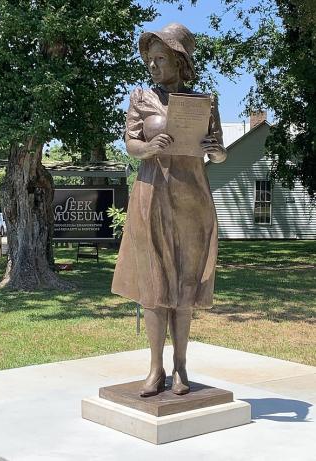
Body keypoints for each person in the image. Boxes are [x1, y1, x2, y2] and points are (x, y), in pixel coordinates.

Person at [112, 23, 227, 397]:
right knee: (154, 284)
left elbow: (220, 153)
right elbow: (130, 143)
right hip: (151, 195)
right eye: (149, 59)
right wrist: (150, 148)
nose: (153, 65)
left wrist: (214, 147)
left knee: (184, 286)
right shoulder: (141, 98)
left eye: (161, 58)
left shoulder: (203, 102)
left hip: (191, 199)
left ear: (180, 61)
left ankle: (180, 367)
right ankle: (154, 368)